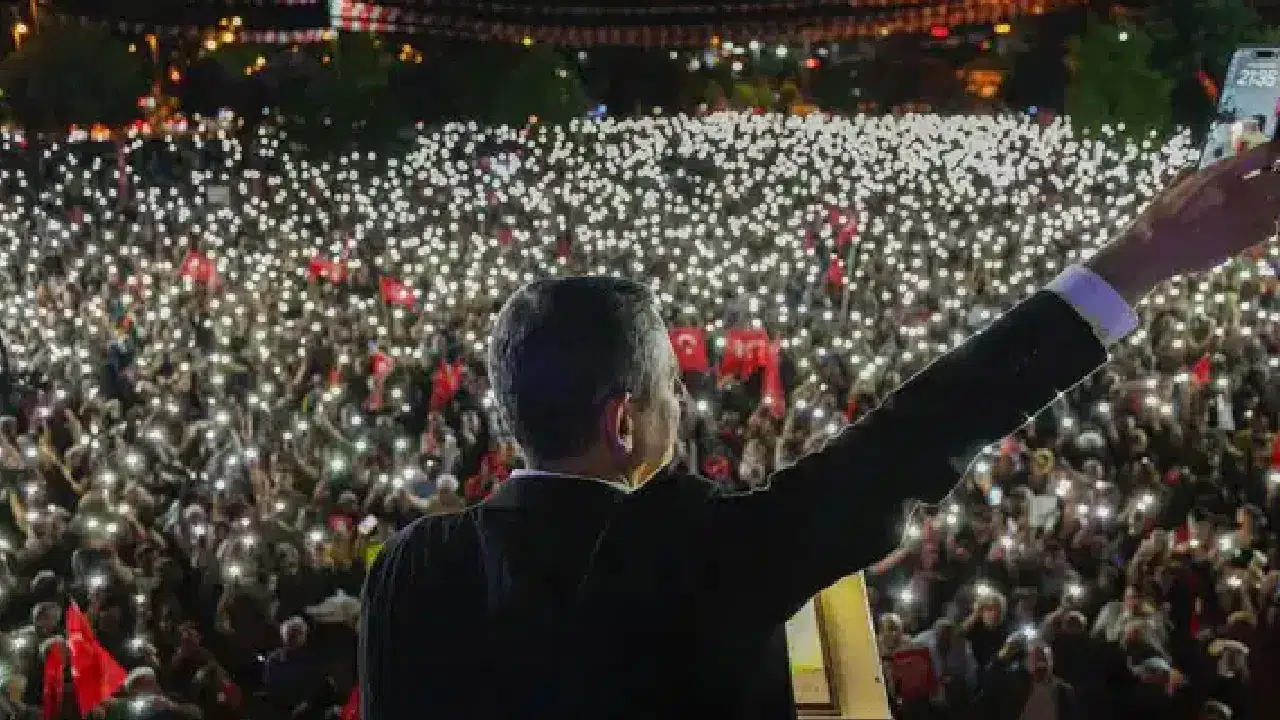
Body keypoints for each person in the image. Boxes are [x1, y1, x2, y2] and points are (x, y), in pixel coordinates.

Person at [358, 142, 1280, 719]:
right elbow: (923, 429)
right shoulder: (700, 553)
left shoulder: (409, 568)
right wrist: (1142, 257)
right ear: (623, 421)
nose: (688, 406)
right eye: (673, 389)